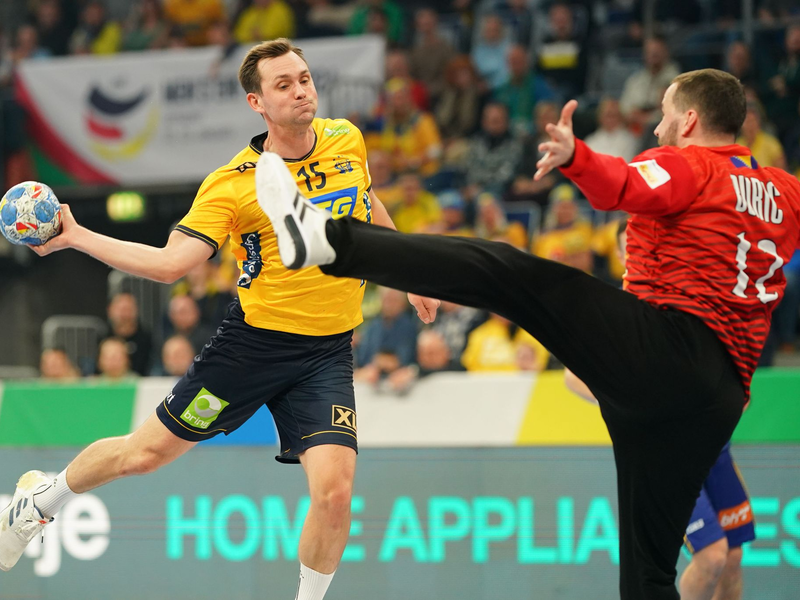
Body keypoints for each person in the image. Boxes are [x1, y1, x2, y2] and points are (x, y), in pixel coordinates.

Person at [256, 68, 800, 599]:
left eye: (661, 117)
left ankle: (326, 241)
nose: (655, 130)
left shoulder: (690, 164)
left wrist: (577, 158)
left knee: (511, 274)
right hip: (720, 398)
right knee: (650, 573)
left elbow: (624, 185)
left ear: (688, 120)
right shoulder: (786, 192)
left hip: (666, 348)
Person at [0, 39, 437, 600]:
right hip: (252, 349)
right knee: (144, 455)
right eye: (284, 85)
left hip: (327, 352)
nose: (301, 91)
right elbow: (166, 266)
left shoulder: (345, 138)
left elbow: (365, 204)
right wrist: (78, 236)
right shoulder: (233, 184)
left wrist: (411, 272)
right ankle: (40, 501)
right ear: (257, 102)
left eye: (304, 79)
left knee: (334, 495)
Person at [564, 220, 756, 600]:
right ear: (620, 254)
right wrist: (636, 403)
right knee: (712, 557)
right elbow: (572, 377)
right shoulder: (614, 309)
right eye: (630, 246)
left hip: (715, 447)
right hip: (667, 454)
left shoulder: (689, 288)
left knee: (732, 557)